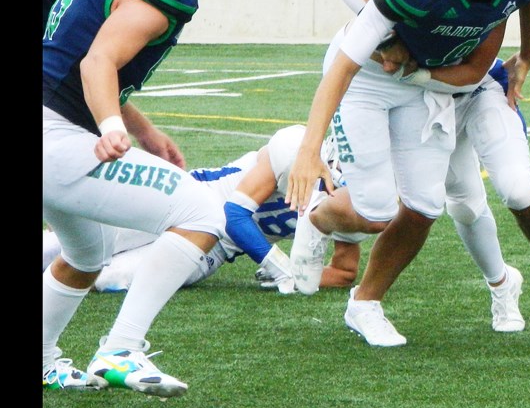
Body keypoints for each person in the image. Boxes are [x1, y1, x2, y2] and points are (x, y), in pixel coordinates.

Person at [286, 0, 530, 347]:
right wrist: (309, 147)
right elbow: (344, 63)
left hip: (422, 86)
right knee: (376, 209)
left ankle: (364, 305)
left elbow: (485, 57)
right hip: (368, 79)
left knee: (425, 205)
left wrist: (526, 55)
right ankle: (319, 217)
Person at [42, 0, 244, 396]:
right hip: (56, 134)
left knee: (86, 256)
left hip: (53, 126)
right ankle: (121, 350)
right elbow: (96, 64)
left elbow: (80, 59)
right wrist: (110, 126)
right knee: (202, 212)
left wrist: (143, 128)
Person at [325, 0, 530, 332]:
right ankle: (502, 286)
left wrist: (528, 53)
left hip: (472, 86)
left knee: (515, 187)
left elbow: (481, 60)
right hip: (433, 96)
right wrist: (390, 37)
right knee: (460, 199)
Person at [42, 126, 352, 294]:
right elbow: (234, 214)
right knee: (84, 245)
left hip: (214, 250)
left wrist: (303, 276)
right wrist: (276, 262)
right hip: (186, 200)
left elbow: (343, 271)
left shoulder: (354, 203)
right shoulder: (296, 146)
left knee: (112, 278)